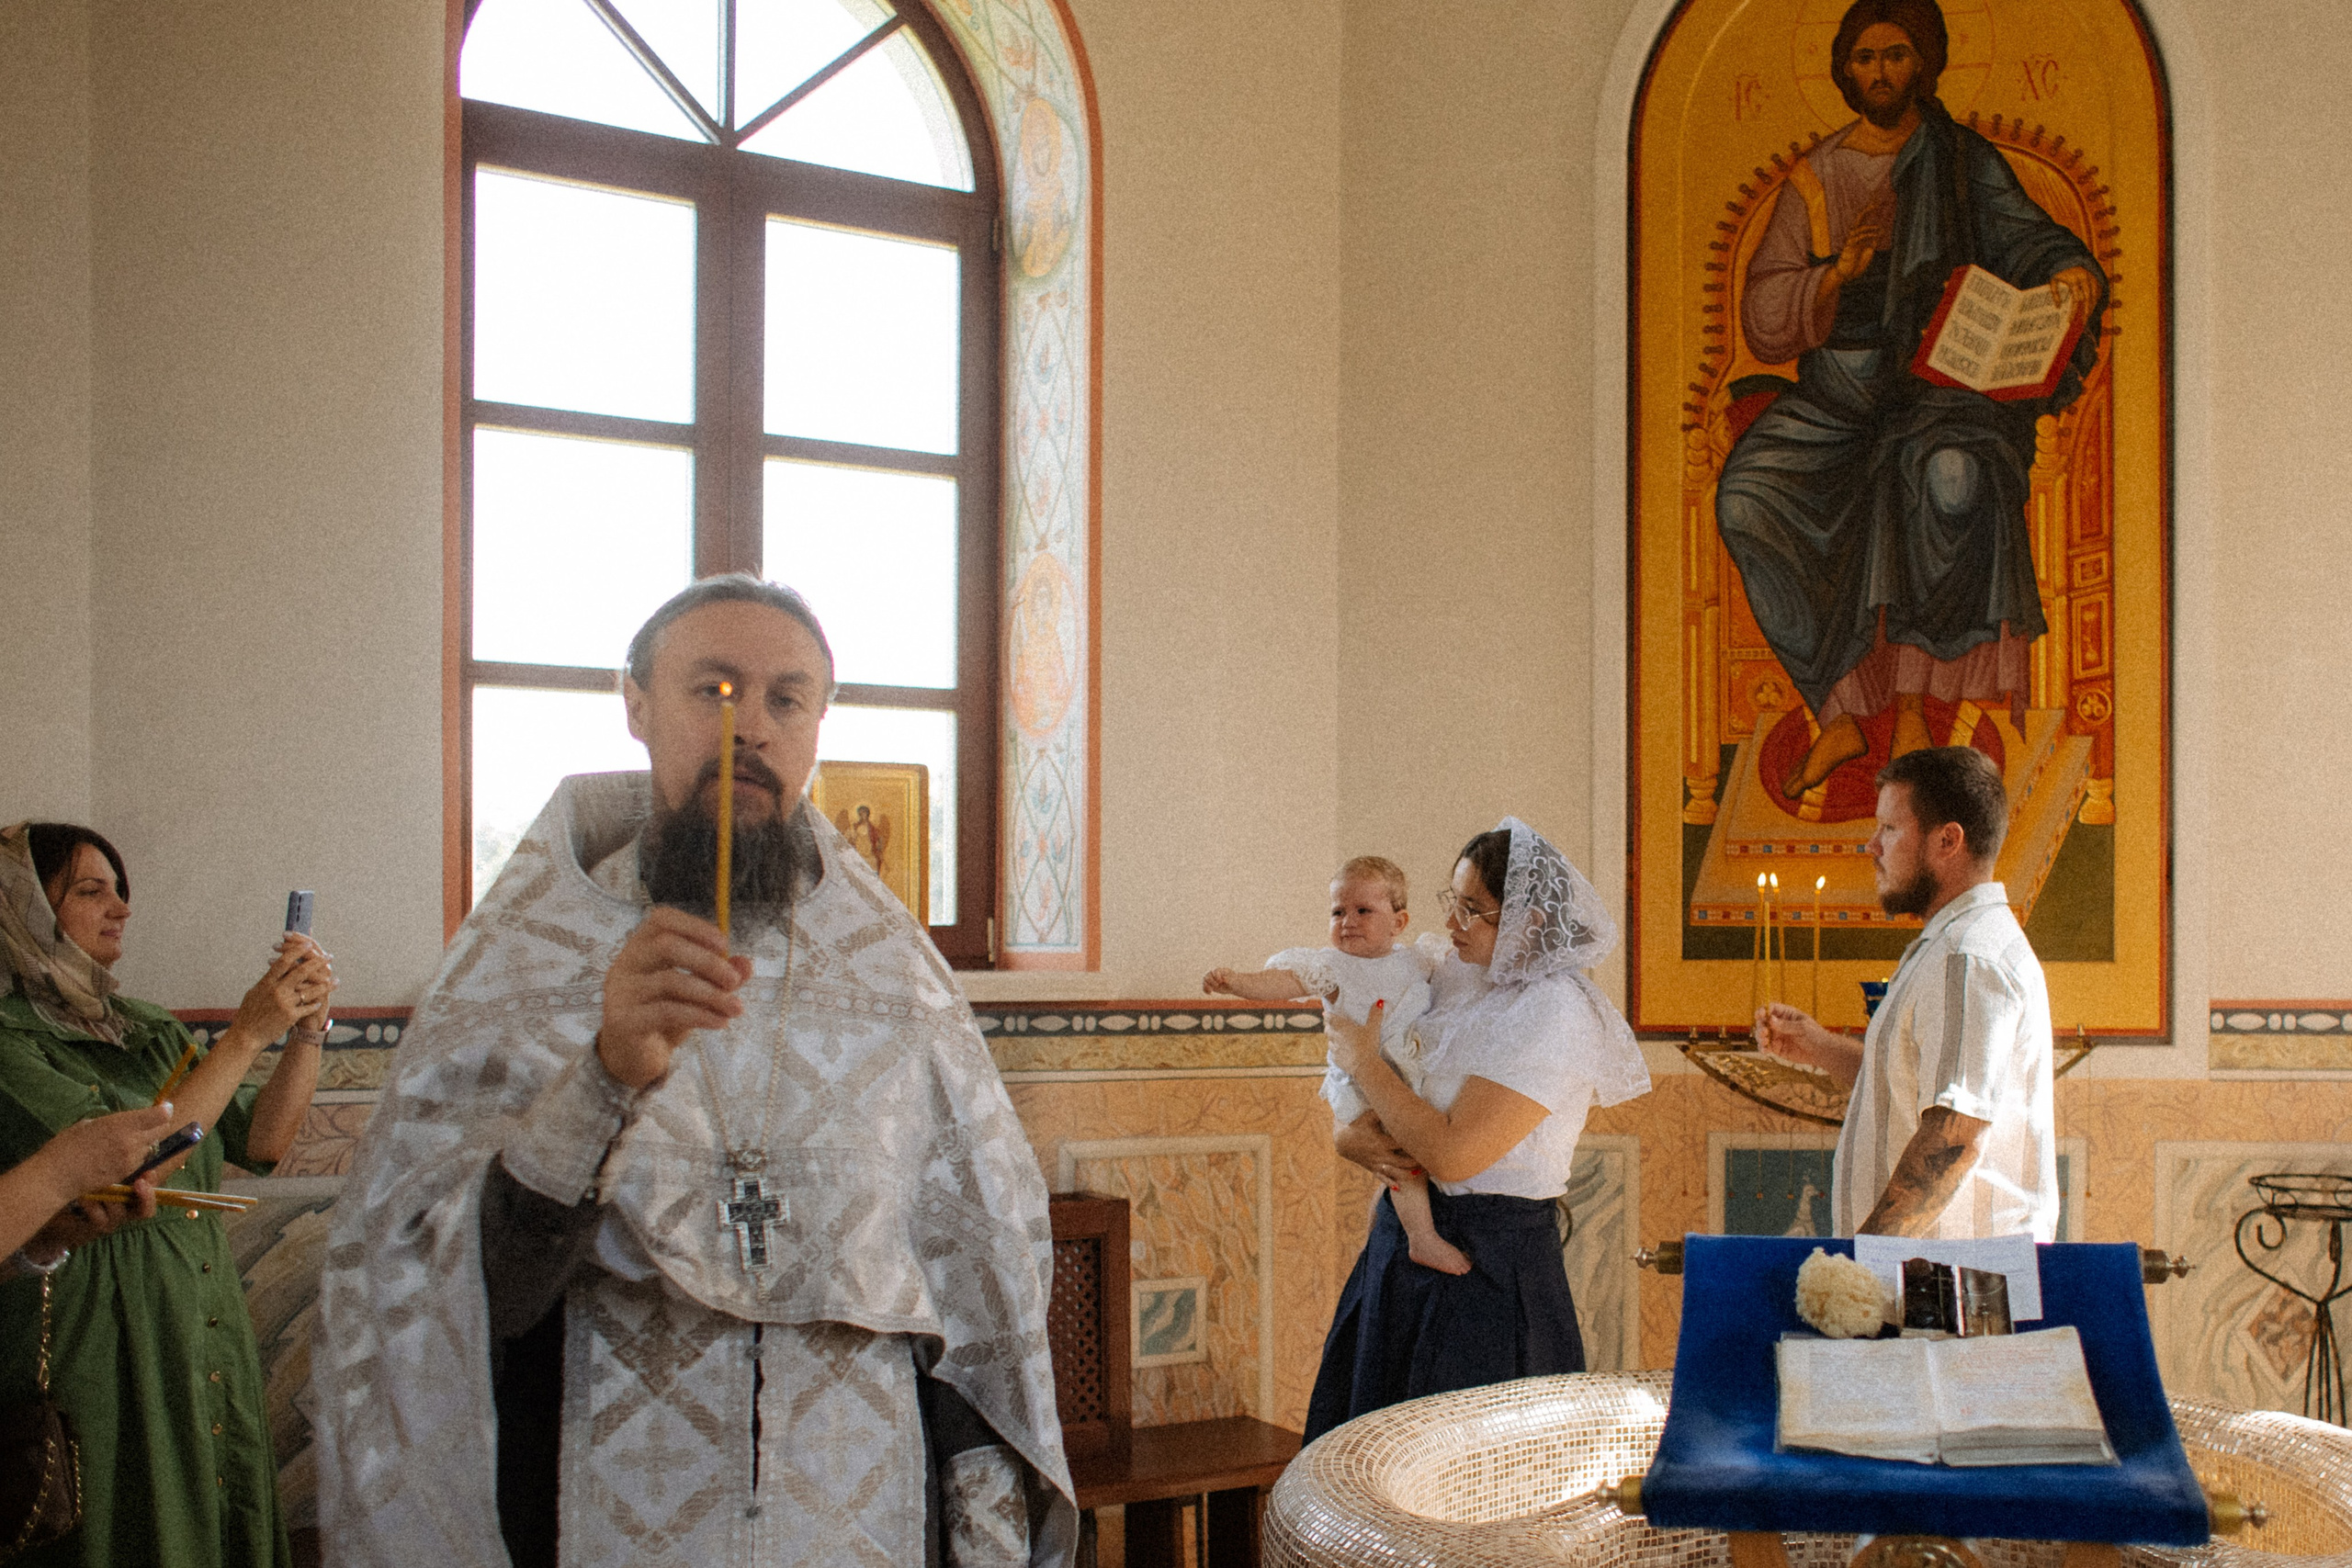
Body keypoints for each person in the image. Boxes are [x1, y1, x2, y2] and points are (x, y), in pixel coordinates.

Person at [315, 575, 1072, 1568]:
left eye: (784, 699)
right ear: (635, 704)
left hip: (858, 1507)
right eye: (711, 691)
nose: (748, 726)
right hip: (594, 1498)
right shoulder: (525, 964)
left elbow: (977, 1304)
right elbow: (456, 1302)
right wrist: (603, 1077)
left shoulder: (899, 985)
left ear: (816, 725)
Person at [1715, 0, 2106, 799]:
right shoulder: (1817, 178)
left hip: (1941, 389)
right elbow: (1762, 314)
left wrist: (2069, 274)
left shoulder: (1961, 162)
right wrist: (1835, 277)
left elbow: (2029, 237)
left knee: (1948, 477)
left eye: (1895, 56)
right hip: (1835, 397)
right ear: (1842, 69)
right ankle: (1839, 713)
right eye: (1863, 59)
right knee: (1747, 499)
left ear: (1923, 63)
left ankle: (1919, 716)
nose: (1879, 73)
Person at [0, 820, 334, 1568]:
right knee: (126, 1520)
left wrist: (306, 1032)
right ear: (20, 904)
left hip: (194, 1312)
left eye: (121, 891)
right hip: (96, 1327)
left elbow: (264, 1143)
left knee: (215, 1508)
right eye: (91, 890)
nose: (120, 907)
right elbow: (137, 1161)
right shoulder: (8, 1041)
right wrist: (247, 1033)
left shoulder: (146, 1027)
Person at [1304, 819, 1651, 1443]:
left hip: (1487, 1265)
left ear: (1532, 921)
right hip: (1399, 1243)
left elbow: (1453, 1151)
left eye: (1474, 909)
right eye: (1453, 902)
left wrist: (1361, 1062)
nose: (1455, 923)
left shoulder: (1556, 1010)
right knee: (1370, 1466)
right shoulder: (1455, 972)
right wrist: (1348, 1136)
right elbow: (1382, 1067)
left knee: (1466, 1477)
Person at [1754, 746, 2057, 1240]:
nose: (1871, 846)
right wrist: (1820, 1047)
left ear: (1947, 840)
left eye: (1889, 829)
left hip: (1956, 1284)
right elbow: (1916, 1089)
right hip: (1933, 1276)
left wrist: (1863, 1260)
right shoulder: (1948, 946)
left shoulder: (1968, 958)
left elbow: (1955, 1134)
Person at [1204, 855, 1466, 1275]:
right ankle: (1421, 1237)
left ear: (1399, 923)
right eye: (1338, 911)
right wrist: (1237, 983)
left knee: (1413, 1147)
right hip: (1361, 1085)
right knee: (1396, 1155)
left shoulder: (1416, 960)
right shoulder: (1332, 967)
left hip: (1407, 1073)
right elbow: (1285, 983)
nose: (1348, 921)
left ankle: (1403, 1235)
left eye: (1364, 911)